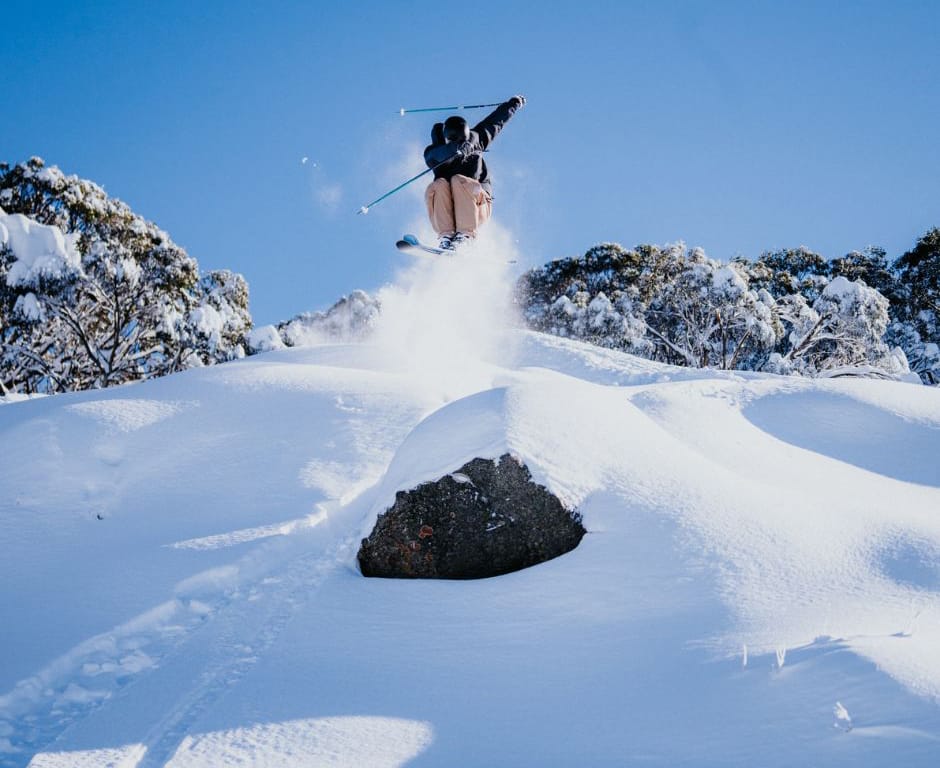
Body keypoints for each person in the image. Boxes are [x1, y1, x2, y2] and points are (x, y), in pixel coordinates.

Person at [423, 95, 526, 250]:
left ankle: (465, 237)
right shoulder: (434, 152)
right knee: (438, 185)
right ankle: (446, 236)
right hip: (451, 211)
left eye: (463, 140)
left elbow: (495, 122)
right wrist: (454, 151)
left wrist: (513, 104)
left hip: (478, 205)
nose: (461, 143)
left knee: (459, 180)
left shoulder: (476, 140)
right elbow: (435, 155)